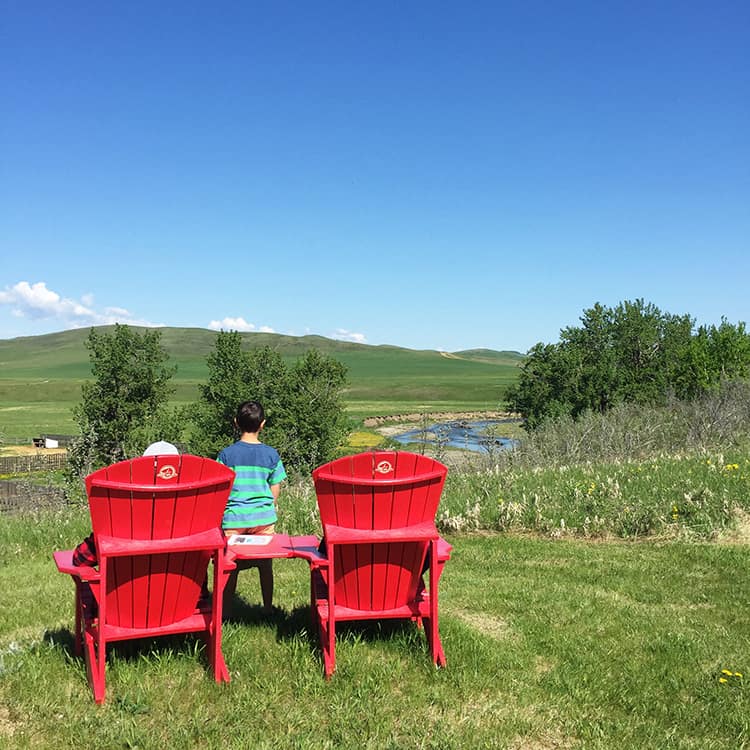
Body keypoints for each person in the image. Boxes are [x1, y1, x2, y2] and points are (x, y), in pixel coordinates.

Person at [217, 400, 286, 615]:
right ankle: (267, 608)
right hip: (263, 518)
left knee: (229, 565)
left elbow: (220, 487)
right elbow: (275, 485)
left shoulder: (226, 455)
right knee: (265, 565)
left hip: (234, 518)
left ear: (236, 423)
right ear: (262, 424)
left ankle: (225, 611)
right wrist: (271, 505)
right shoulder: (271, 455)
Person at [72, 441, 180, 567]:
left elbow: (79, 560)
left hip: (131, 586)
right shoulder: (195, 517)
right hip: (188, 587)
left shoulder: (122, 517)